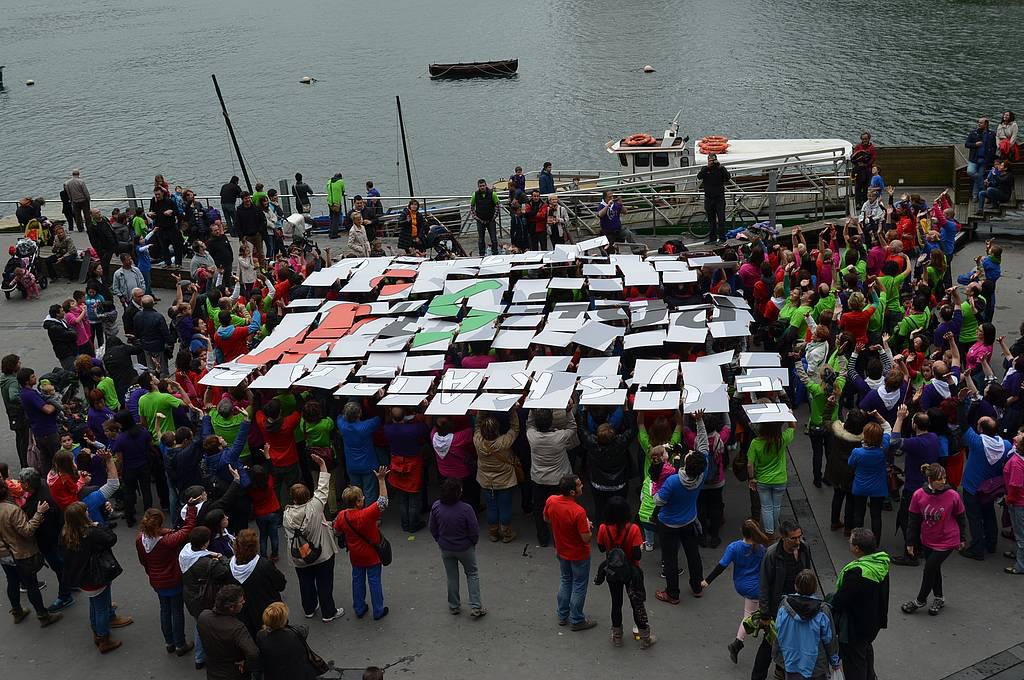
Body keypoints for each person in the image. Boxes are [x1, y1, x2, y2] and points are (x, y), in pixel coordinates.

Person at [62, 501, 133, 653]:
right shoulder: (91, 533)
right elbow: (111, 539)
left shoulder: (66, 534)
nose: (88, 512)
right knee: (100, 607)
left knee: (95, 604)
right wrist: (98, 525)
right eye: (86, 511)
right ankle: (103, 638)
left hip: (82, 578)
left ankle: (97, 631)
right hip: (96, 576)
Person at [654, 411, 710, 605]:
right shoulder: (702, 473)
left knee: (670, 559)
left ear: (686, 462)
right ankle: (697, 586)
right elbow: (704, 445)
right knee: (693, 554)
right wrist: (700, 422)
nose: (691, 451)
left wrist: (655, 487)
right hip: (689, 520)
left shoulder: (673, 481)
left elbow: (658, 501)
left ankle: (672, 593)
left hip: (669, 524)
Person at [752, 520, 814, 680]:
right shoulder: (772, 554)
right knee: (768, 644)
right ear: (783, 537)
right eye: (793, 538)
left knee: (792, 643)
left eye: (799, 536)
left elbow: (807, 574)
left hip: (798, 605)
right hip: (778, 608)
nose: (798, 541)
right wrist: (765, 614)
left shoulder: (804, 548)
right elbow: (764, 585)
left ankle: (781, 670)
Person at [903, 463, 968, 616]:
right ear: (930, 479)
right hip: (928, 539)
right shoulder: (918, 495)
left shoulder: (953, 495)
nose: (943, 481)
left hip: (948, 540)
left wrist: (962, 538)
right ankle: (939, 597)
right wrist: (910, 542)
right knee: (934, 568)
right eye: (939, 479)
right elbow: (913, 520)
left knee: (929, 568)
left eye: (944, 478)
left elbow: (961, 517)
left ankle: (920, 600)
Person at [701, 519, 769, 664]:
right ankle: (739, 642)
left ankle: (744, 638)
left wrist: (707, 580)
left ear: (742, 531)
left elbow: (721, 566)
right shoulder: (761, 549)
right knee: (753, 614)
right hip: (756, 587)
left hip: (741, 584)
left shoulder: (734, 547)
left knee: (752, 611)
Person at [283, 453, 341, 621]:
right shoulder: (315, 507)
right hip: (321, 554)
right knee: (325, 583)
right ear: (308, 495)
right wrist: (322, 465)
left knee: (305, 582)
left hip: (299, 555)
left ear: (293, 498)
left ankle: (309, 608)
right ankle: (328, 612)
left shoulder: (287, 514)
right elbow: (323, 487)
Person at [136, 502, 199, 656]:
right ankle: (180, 644)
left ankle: (169, 642)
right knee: (177, 611)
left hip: (157, 581)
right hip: (173, 580)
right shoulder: (168, 541)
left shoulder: (140, 540)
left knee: (165, 610)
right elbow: (188, 529)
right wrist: (191, 508)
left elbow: (143, 561)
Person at [829, 528, 890, 680]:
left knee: (854, 663)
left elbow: (840, 600)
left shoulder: (857, 573)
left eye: (850, 542)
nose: (848, 543)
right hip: (873, 622)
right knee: (866, 651)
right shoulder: (880, 563)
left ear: (857, 548)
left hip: (855, 627)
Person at [0, 481, 62, 627]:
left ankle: (17, 612)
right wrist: (38, 514)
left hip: (3, 554)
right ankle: (43, 616)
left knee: (12, 581)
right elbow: (27, 531)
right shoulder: (11, 510)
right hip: (19, 553)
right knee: (31, 584)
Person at [595, 495, 654, 648]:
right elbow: (637, 555)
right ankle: (645, 637)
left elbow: (601, 548)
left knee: (616, 603)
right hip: (631, 572)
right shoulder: (633, 529)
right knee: (636, 604)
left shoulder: (603, 528)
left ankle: (617, 636)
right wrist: (639, 547)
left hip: (612, 572)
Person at [333, 467, 390, 621]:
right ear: (358, 502)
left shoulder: (342, 516)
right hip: (372, 555)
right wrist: (381, 480)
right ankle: (378, 610)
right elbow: (383, 501)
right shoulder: (367, 514)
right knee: (374, 581)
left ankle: (359, 608)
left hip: (355, 555)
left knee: (357, 581)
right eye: (362, 497)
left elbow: (336, 531)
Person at [544, 473, 596, 631]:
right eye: (579, 485)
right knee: (579, 585)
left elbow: (547, 519)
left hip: (561, 550)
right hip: (579, 554)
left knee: (565, 580)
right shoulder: (579, 512)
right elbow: (586, 538)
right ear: (572, 492)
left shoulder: (551, 501)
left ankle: (562, 614)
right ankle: (577, 619)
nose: (582, 486)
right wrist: (588, 527)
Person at [428, 477, 485, 617]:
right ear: (458, 492)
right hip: (465, 548)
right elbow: (474, 530)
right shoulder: (466, 509)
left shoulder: (436, 506)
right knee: (472, 574)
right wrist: (472, 543)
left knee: (452, 576)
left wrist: (439, 540)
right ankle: (476, 606)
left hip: (446, 547)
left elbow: (432, 527)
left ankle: (454, 606)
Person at [959, 417, 1012, 560]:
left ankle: (977, 549)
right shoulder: (1006, 445)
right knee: (989, 514)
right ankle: (991, 543)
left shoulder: (977, 442)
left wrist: (961, 405)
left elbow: (963, 423)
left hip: (972, 487)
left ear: (981, 429)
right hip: (990, 489)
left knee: (974, 518)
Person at [181, 526, 232, 671]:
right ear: (205, 543)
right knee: (212, 625)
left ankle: (199, 657)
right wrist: (221, 557)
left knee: (200, 624)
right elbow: (225, 571)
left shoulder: (185, 552)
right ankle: (215, 655)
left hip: (190, 594)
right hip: (204, 598)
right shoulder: (206, 562)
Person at [774, 569, 841, 680]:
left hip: (791, 662)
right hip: (815, 666)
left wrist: (777, 655)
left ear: (796, 586)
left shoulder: (784, 606)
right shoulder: (823, 611)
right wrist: (834, 661)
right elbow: (830, 640)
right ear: (815, 588)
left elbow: (779, 631)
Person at [528, 406, 578, 546]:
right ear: (551, 421)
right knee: (561, 511)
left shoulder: (532, 436)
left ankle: (543, 538)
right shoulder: (559, 436)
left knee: (539, 510)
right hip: (558, 480)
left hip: (539, 479)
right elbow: (572, 427)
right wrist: (568, 411)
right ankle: (560, 539)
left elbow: (529, 424)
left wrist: (531, 409)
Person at [229, 528, 286, 636]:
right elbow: (281, 584)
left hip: (245, 614)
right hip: (268, 612)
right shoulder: (264, 565)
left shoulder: (230, 567)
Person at [474, 410, 521, 543]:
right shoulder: (503, 442)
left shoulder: (477, 440)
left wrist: (481, 410)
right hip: (505, 481)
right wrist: (512, 411)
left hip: (486, 480)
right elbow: (515, 428)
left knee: (491, 507)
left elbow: (477, 425)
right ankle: (506, 533)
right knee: (505, 507)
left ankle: (493, 533)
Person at [197, 584, 261, 680]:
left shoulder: (203, 617)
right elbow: (253, 653)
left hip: (213, 672)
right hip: (234, 674)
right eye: (240, 601)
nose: (244, 602)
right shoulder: (237, 628)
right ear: (231, 607)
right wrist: (246, 665)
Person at [747, 420, 796, 536]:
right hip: (780, 479)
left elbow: (750, 464)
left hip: (763, 480)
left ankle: (769, 532)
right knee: (776, 506)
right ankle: (775, 527)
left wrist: (752, 478)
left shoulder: (755, 443)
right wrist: (789, 416)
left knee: (766, 507)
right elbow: (793, 427)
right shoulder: (782, 439)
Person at [848, 417, 892, 543]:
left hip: (860, 486)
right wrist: (878, 416)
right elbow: (888, 428)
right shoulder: (883, 448)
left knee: (858, 514)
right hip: (878, 487)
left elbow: (850, 463)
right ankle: (875, 543)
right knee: (876, 515)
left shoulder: (857, 452)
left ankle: (857, 541)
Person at [256, 602, 324, 680]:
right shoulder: (294, 633)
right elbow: (304, 629)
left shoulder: (261, 635)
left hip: (276, 673)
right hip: (298, 672)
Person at [337, 401, 383, 504]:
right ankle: (369, 513)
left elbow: (339, 416)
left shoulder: (342, 425)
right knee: (369, 492)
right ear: (359, 413)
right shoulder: (366, 426)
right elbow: (378, 418)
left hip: (352, 466)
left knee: (355, 494)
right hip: (368, 465)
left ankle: (357, 512)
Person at [18, 367, 60, 475]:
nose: (35, 377)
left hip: (38, 431)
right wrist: (56, 403)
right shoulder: (30, 394)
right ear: (26, 381)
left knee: (46, 459)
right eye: (32, 377)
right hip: (47, 430)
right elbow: (48, 410)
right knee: (57, 458)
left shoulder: (24, 393)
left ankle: (47, 480)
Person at [1, 355, 29, 468]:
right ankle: (25, 463)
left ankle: (23, 462)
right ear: (13, 366)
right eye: (18, 362)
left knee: (20, 438)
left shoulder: (5, 378)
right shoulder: (13, 381)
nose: (20, 364)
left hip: (12, 413)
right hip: (19, 413)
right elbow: (13, 396)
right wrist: (25, 402)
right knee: (24, 439)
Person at [698, 152, 731, 243]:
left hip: (719, 198)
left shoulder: (721, 169)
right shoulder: (705, 169)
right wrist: (707, 167)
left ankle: (722, 238)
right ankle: (712, 239)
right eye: (710, 160)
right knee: (711, 220)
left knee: (721, 219)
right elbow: (699, 176)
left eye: (713, 160)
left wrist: (720, 167)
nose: (712, 162)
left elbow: (728, 178)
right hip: (709, 198)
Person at [1003, 439, 1024, 575]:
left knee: (1020, 534)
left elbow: (1015, 485)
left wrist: (1009, 499)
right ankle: (1017, 554)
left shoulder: (1017, 463)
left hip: (1018, 502)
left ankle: (1021, 565)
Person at [966, 117, 998, 202]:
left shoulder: (991, 134)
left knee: (979, 177)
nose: (978, 124)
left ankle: (975, 196)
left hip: (984, 160)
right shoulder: (973, 133)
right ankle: (985, 193)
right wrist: (975, 144)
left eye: (981, 123)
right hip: (974, 159)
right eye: (978, 122)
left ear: (986, 124)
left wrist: (990, 156)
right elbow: (967, 144)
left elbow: (994, 147)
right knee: (971, 172)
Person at [470, 179, 500, 256]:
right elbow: (472, 207)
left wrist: (494, 217)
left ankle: (495, 253)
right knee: (481, 240)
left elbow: (497, 206)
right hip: (480, 220)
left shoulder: (493, 194)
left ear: (486, 185)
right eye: (480, 186)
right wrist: (476, 217)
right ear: (478, 187)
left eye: (483, 185)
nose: (482, 187)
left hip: (491, 220)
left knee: (494, 239)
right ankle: (481, 255)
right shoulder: (475, 195)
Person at [235, 193, 265, 266]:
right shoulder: (239, 210)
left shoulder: (256, 208)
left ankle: (262, 268)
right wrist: (241, 237)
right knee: (248, 254)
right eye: (246, 198)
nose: (248, 200)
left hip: (257, 234)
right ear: (242, 199)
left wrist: (260, 231)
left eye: (249, 198)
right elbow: (237, 224)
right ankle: (251, 268)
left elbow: (262, 220)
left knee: (260, 253)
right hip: (247, 236)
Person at [851, 132, 877, 206]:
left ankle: (865, 202)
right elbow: (854, 157)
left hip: (867, 170)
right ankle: (857, 203)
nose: (864, 140)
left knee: (866, 187)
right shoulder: (858, 146)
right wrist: (858, 163)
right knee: (858, 187)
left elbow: (873, 158)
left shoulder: (872, 148)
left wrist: (866, 164)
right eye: (863, 139)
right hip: (859, 170)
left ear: (869, 139)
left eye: (866, 139)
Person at [326, 172, 347, 239]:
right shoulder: (340, 182)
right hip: (336, 202)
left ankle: (330, 232)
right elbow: (343, 190)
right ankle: (334, 234)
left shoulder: (329, 182)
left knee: (331, 218)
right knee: (336, 218)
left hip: (330, 202)